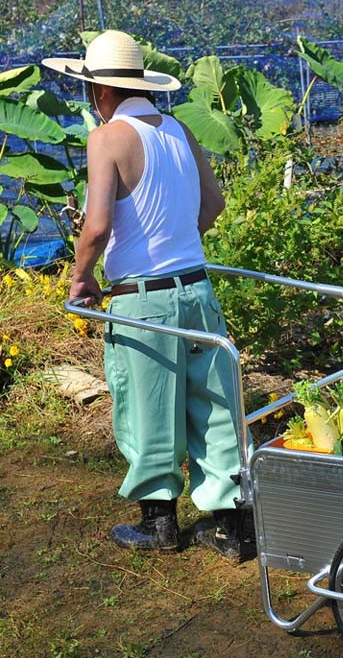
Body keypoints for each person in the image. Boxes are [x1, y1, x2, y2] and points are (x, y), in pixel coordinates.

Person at [42, 30, 252, 560]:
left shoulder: (107, 139)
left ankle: (159, 523)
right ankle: (229, 523)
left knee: (149, 408)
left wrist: (80, 278)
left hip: (144, 299)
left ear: (99, 92)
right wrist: (174, 242)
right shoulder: (179, 130)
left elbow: (96, 226)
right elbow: (214, 205)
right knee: (215, 405)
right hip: (196, 288)